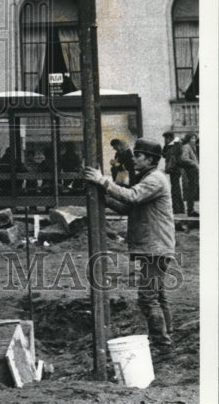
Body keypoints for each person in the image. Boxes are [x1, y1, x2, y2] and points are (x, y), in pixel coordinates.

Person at [84, 138, 176, 354]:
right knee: (157, 295)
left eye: (138, 156)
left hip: (155, 247)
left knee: (147, 298)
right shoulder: (149, 178)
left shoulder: (155, 180)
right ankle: (166, 337)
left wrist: (103, 182)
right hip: (153, 245)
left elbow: (132, 197)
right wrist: (103, 197)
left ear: (151, 159)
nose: (133, 159)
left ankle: (162, 345)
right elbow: (127, 208)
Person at [162, 131, 184, 215]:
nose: (165, 140)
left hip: (175, 169)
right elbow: (163, 154)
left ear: (170, 138)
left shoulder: (176, 144)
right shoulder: (169, 145)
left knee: (175, 189)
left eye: (166, 138)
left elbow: (171, 155)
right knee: (175, 188)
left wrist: (168, 147)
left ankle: (177, 208)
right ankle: (179, 208)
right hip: (172, 169)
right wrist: (166, 146)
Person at [180, 133, 199, 217]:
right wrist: (194, 163)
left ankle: (191, 209)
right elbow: (184, 158)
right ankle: (190, 210)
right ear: (188, 139)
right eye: (192, 138)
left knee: (193, 190)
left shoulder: (192, 147)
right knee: (191, 190)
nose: (194, 140)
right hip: (190, 170)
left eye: (195, 138)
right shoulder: (186, 147)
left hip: (193, 170)